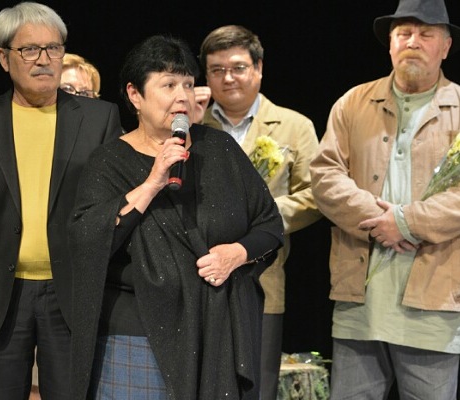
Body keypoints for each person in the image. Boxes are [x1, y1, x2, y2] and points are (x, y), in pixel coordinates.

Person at [69, 35, 284, 400]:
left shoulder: (220, 149)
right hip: (138, 334)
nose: (182, 96)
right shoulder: (107, 162)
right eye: (168, 85)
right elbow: (88, 240)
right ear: (135, 95)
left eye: (187, 84)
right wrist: (152, 183)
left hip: (215, 332)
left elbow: (269, 224)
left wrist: (237, 253)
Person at [0, 2, 122, 399]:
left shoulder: (99, 119)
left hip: (73, 295)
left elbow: (113, 211)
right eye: (30, 49)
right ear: (4, 58)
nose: (44, 59)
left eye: (53, 48)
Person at [309, 0, 460, 398]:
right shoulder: (354, 102)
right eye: (403, 34)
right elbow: (324, 175)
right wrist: (380, 224)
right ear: (390, 44)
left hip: (433, 302)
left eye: (426, 35)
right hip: (360, 300)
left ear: (445, 46)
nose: (413, 42)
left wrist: (407, 223)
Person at [198, 25, 321, 399]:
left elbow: (316, 195)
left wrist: (262, 219)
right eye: (217, 70)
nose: (228, 78)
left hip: (263, 274)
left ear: (259, 68)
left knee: (258, 385)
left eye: (238, 67)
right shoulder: (190, 122)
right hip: (199, 272)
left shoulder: (294, 126)